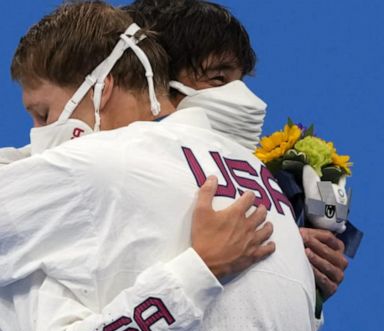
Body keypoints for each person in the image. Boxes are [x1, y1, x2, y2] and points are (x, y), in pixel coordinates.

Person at [0, 2, 315, 331]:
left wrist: (198, 272)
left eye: (44, 115)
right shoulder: (261, 180)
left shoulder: (99, 163)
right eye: (219, 78)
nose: (39, 134)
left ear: (103, 89)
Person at [126, 0, 348, 309]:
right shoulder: (113, 169)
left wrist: (293, 271)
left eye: (239, 81)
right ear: (152, 80)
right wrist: (203, 266)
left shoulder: (255, 182)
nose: (243, 98)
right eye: (218, 79)